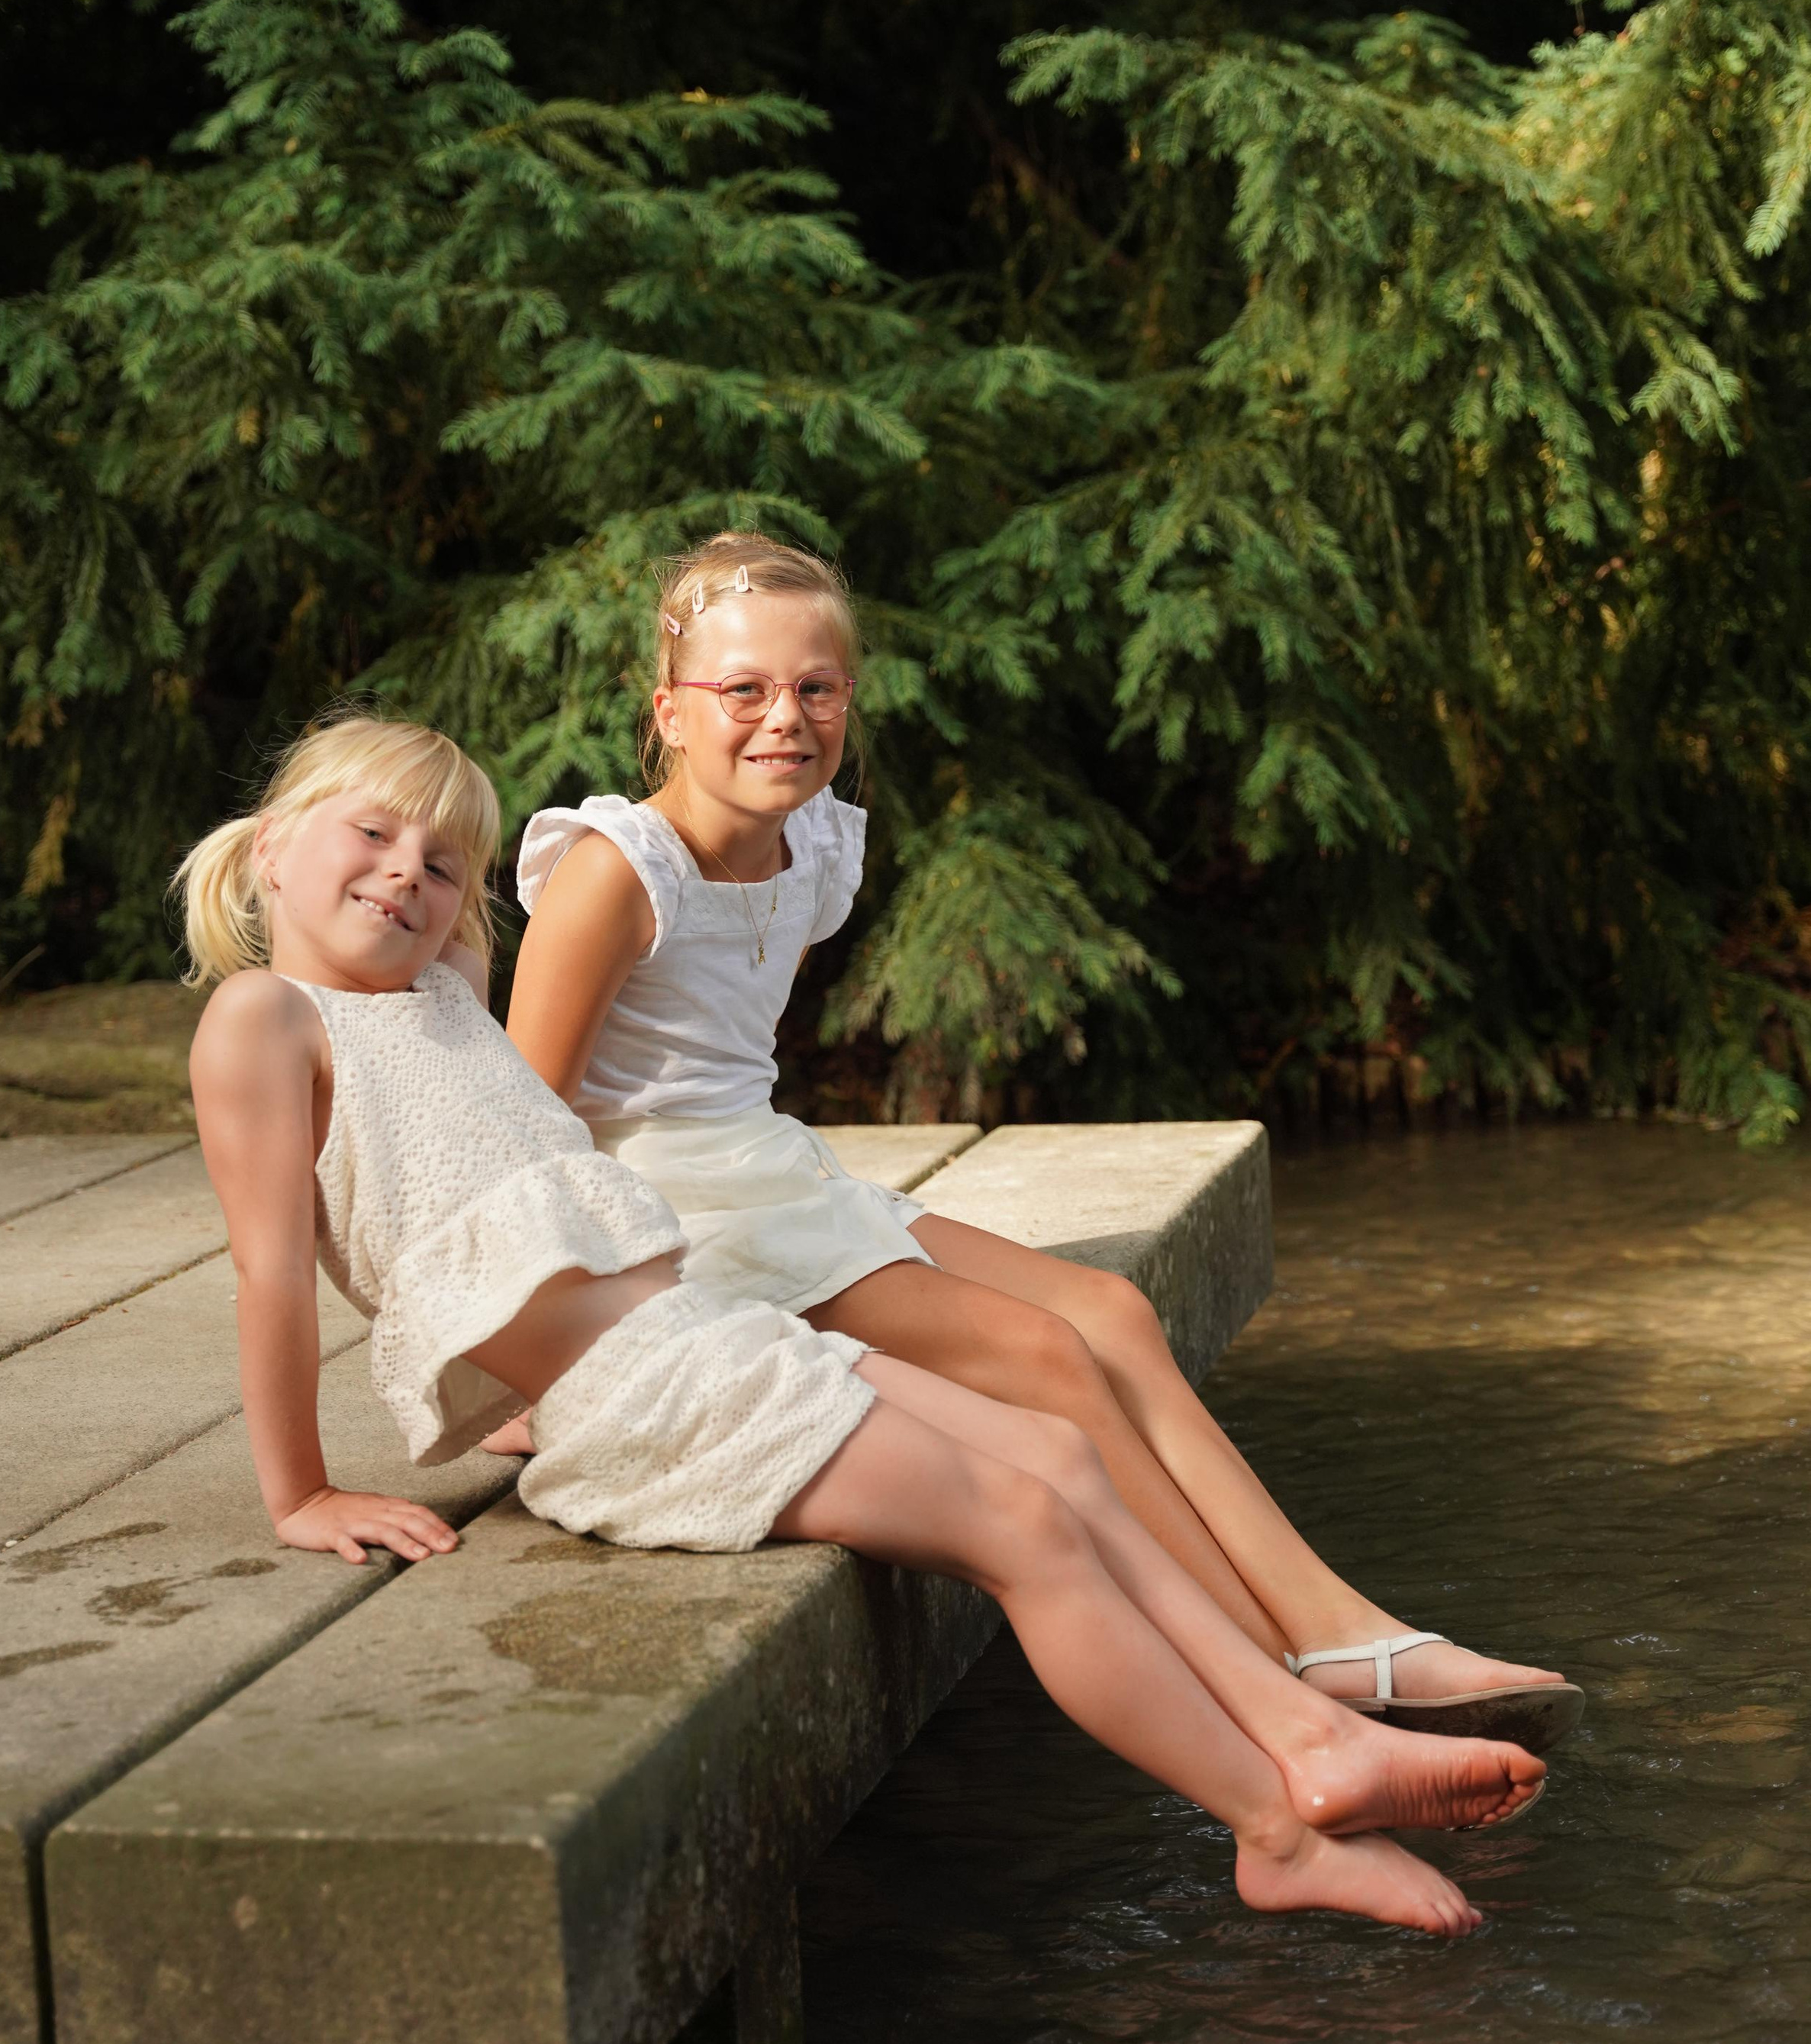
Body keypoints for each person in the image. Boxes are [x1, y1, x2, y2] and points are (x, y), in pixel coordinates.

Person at [179, 708, 1547, 1940]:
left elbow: (496, 1157)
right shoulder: (264, 1018)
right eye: (373, 835)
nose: (408, 876)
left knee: (1058, 1454)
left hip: (707, 1338)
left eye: (443, 866)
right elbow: (275, 1270)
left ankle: (1307, 1724)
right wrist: (301, 1493)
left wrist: (509, 1385)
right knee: (1022, 1527)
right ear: (272, 847)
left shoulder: (436, 998)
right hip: (650, 1401)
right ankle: (1274, 1829)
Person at [508, 533, 1584, 1752]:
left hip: (767, 1171)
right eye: (743, 689)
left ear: (849, 696)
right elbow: (522, 1131)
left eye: (816, 687)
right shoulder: (615, 870)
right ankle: (1270, 1674)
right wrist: (538, 1354)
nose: (785, 718)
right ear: (671, 710)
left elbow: (732, 1060)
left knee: (1110, 1312)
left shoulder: (814, 848)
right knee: (1043, 1354)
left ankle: (1338, 1624)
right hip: (673, 1222)